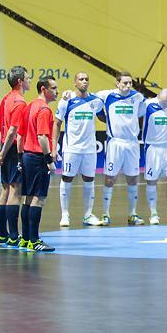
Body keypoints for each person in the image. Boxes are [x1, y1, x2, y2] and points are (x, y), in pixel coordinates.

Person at [53, 72, 104, 227]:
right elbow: (57, 123)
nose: (84, 81)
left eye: (86, 79)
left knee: (89, 180)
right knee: (67, 179)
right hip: (72, 149)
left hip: (89, 149)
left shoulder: (96, 101)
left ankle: (88, 215)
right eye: (81, 79)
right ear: (75, 83)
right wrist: (54, 146)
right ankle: (65, 215)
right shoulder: (66, 100)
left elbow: (103, 117)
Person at [96, 71, 145, 226]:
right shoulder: (106, 96)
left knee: (133, 179)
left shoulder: (137, 97)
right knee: (110, 179)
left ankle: (132, 214)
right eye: (125, 83)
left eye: (130, 83)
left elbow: (151, 105)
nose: (128, 86)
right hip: (115, 143)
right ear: (117, 83)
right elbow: (90, 101)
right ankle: (105, 214)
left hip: (132, 143)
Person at [0, 66, 30, 247]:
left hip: (5, 149)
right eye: (27, 78)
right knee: (15, 190)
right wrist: (4, 152)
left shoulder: (6, 99)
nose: (29, 81)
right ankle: (14, 236)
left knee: (5, 189)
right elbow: (13, 131)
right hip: (13, 149)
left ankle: (2, 235)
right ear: (20, 81)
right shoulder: (20, 103)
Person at [19, 76, 59, 252]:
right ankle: (34, 241)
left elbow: (21, 134)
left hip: (28, 156)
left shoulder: (30, 106)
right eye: (54, 88)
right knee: (39, 198)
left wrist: (21, 157)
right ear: (44, 89)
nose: (57, 91)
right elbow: (42, 136)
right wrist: (49, 159)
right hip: (37, 157)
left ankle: (26, 238)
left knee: (28, 198)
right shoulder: (44, 109)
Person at [142, 89, 167, 225]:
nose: (165, 105)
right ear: (157, 97)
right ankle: (153, 214)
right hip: (152, 149)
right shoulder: (147, 105)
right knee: (151, 181)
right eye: (163, 102)